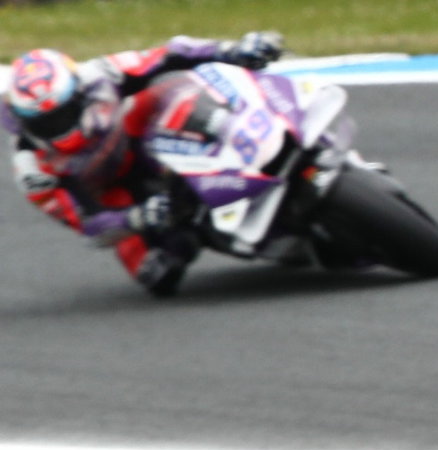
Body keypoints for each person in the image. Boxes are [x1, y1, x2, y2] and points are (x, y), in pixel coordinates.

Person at [3, 31, 284, 295]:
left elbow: (170, 53)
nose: (57, 128)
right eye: (45, 123)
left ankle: (248, 133)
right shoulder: (33, 172)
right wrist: (136, 218)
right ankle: (196, 224)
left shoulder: (100, 73)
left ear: (78, 94)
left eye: (62, 115)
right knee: (157, 272)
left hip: (138, 137)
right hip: (113, 192)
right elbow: (89, 224)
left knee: (173, 90)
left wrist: (230, 50)